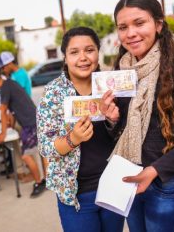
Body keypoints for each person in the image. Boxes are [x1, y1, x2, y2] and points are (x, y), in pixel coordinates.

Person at [100, 0, 174, 231]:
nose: (130, 33)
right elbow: (122, 133)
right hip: (129, 182)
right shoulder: (121, 74)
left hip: (167, 186)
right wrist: (112, 120)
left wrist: (155, 170)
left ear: (159, 24)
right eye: (122, 27)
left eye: (139, 23)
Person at [36, 27, 125, 232]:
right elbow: (46, 148)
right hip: (77, 195)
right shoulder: (53, 94)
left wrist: (114, 121)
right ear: (65, 58)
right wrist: (73, 138)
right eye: (74, 52)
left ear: (98, 52)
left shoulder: (112, 86)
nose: (83, 58)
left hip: (113, 187)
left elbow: (130, 135)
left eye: (89, 50)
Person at [0, 68, 46, 198]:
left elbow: (3, 110)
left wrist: (3, 133)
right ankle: (47, 180)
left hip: (30, 124)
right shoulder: (9, 83)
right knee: (42, 153)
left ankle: (39, 182)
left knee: (26, 156)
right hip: (34, 120)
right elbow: (13, 110)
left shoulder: (5, 87)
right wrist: (9, 126)